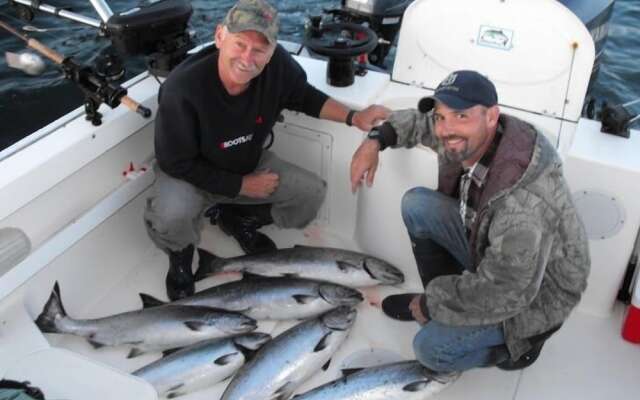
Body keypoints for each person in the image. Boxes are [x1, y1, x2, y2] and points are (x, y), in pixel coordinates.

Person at [144, 0, 389, 300]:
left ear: (272, 51)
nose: (248, 57)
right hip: (189, 175)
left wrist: (354, 117)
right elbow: (174, 162)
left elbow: (304, 96)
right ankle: (180, 262)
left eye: (260, 49)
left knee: (311, 193)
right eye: (240, 43)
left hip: (246, 163)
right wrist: (242, 186)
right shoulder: (183, 87)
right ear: (220, 36)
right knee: (172, 214)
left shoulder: (277, 67)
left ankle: (240, 220)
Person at [350, 70, 590, 373]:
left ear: (492, 116)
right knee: (417, 205)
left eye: (460, 116)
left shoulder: (524, 205)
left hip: (536, 296)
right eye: (441, 116)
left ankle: (518, 350)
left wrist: (430, 304)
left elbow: (506, 290)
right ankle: (446, 305)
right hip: (495, 252)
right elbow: (420, 122)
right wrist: (375, 140)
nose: (445, 129)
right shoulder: (468, 136)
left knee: (431, 351)